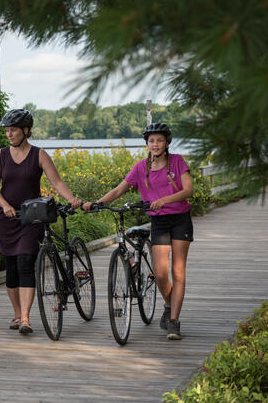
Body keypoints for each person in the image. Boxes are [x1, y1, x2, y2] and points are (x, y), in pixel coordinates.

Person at [83, 122, 193, 340]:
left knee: (178, 272)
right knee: (161, 274)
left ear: (167, 142)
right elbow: (118, 190)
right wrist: (97, 203)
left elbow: (188, 190)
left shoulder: (178, 161)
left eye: (159, 140)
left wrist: (163, 200)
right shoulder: (140, 168)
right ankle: (169, 305)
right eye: (151, 141)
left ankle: (174, 322)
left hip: (180, 219)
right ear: (147, 144)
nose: (155, 144)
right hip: (159, 222)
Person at [0, 109, 81, 335]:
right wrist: (5, 205)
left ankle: (26, 319)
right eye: (7, 131)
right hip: (7, 219)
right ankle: (17, 314)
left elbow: (56, 182)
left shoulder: (39, 155)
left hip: (31, 218)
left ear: (26, 131)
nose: (9, 134)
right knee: (11, 271)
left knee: (25, 263)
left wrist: (71, 199)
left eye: (14, 130)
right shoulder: (0, 155)